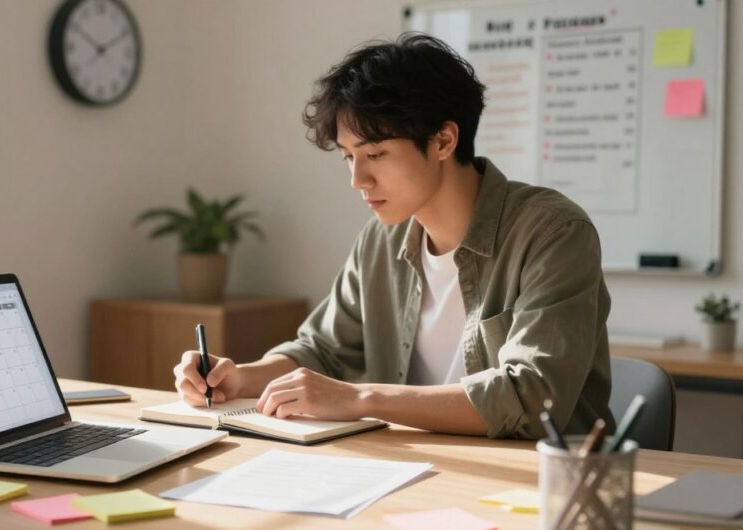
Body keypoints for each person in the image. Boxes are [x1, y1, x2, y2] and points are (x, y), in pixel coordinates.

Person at [172, 33, 614, 439]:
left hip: (539, 486)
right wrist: (239, 377)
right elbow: (322, 351)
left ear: (443, 141)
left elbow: (533, 397)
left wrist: (360, 399)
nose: (358, 179)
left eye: (376, 154)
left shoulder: (553, 233)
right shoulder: (381, 241)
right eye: (348, 157)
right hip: (416, 470)